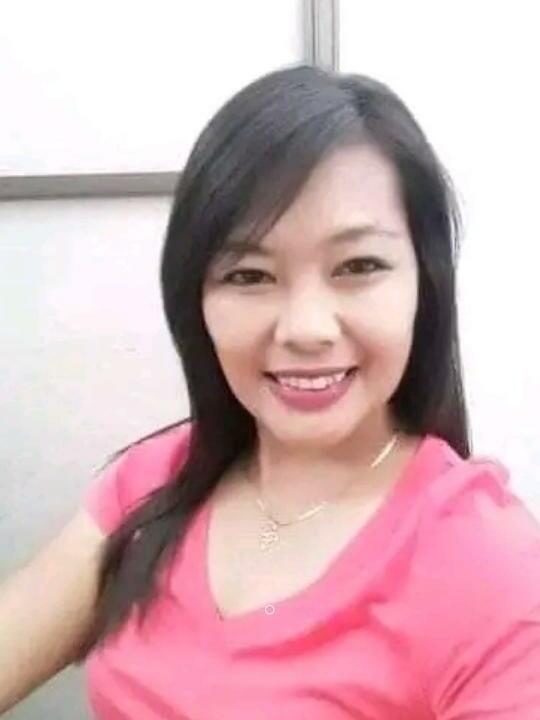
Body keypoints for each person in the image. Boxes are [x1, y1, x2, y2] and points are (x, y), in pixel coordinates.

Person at [1, 64, 539, 719]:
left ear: (424, 285)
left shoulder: (491, 567)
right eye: (250, 275)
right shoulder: (154, 484)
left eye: (359, 266)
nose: (305, 328)